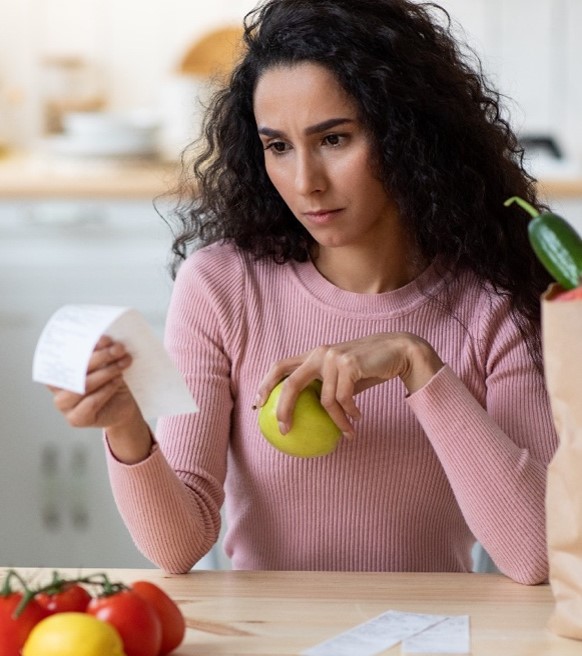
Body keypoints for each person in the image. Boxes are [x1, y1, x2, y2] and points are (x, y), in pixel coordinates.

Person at [51, 0, 558, 584]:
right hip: (268, 636)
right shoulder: (222, 286)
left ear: (407, 135)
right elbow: (178, 545)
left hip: (431, 634)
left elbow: (537, 555)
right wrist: (126, 428)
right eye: (279, 146)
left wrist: (416, 362)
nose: (305, 183)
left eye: (335, 139)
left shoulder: (492, 301)